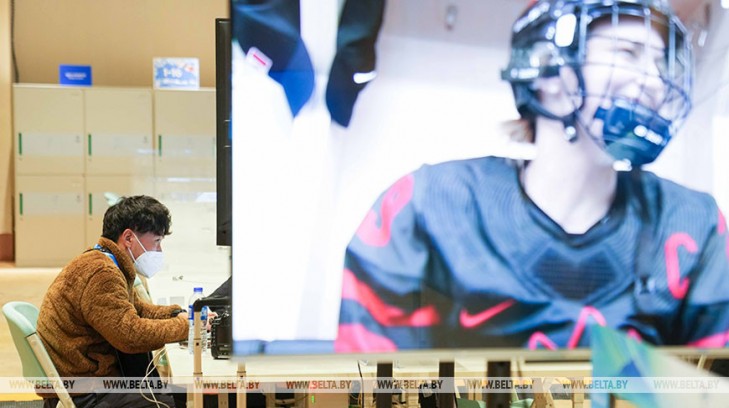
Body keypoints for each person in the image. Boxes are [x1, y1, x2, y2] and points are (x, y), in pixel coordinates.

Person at [335, 0, 729, 352]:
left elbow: (712, 390)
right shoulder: (430, 207)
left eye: (660, 63)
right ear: (547, 70)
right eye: (628, 53)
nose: (655, 82)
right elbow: (378, 388)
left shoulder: (694, 226)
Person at [37, 195, 189, 407]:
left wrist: (177, 315)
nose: (159, 251)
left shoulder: (104, 260)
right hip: (87, 391)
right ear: (129, 238)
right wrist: (186, 328)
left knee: (187, 395)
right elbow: (130, 335)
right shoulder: (102, 274)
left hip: (87, 380)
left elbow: (137, 310)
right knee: (186, 402)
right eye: (156, 241)